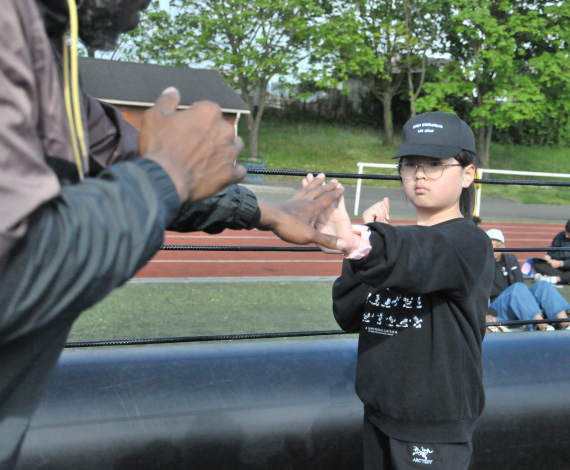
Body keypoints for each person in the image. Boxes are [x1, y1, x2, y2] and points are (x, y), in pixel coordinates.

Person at [0, 1, 348, 468]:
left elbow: (118, 157)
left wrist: (264, 211)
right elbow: (13, 264)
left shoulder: (40, 44)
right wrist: (166, 175)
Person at [322, 112, 494, 470]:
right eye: (410, 164)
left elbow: (423, 252)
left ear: (468, 174)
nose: (419, 174)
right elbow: (347, 314)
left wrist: (363, 242)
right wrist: (358, 252)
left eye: (435, 164)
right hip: (379, 415)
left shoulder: (469, 242)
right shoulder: (394, 249)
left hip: (433, 429)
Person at [485, 229, 570, 331]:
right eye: (491, 246)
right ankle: (543, 328)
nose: (495, 249)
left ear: (503, 246)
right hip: (495, 309)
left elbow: (520, 284)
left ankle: (566, 325)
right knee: (517, 288)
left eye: (498, 246)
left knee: (543, 286)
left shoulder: (510, 260)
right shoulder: (480, 265)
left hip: (515, 303)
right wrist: (488, 313)